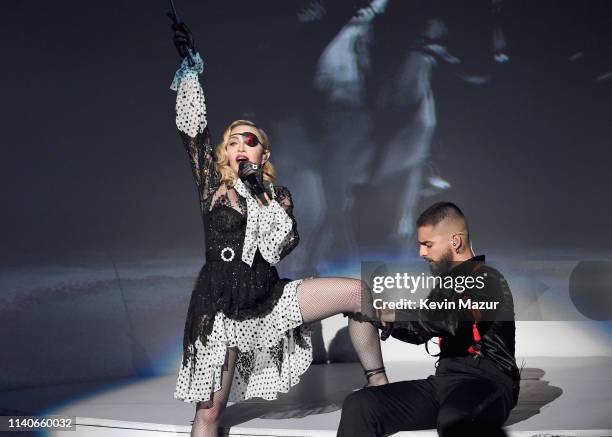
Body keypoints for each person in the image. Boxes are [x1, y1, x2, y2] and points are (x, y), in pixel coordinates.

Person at [168, 23, 388, 437]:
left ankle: (379, 384)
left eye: (247, 140)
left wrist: (260, 194)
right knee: (209, 415)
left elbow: (280, 245)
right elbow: (194, 133)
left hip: (269, 299)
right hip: (221, 313)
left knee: (358, 293)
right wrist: (190, 70)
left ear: (263, 153)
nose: (238, 147)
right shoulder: (212, 189)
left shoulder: (277, 196)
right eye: (231, 142)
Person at [337, 202, 520, 437]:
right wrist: (382, 321)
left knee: (454, 420)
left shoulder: (488, 278)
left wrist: (390, 313)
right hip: (444, 383)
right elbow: (422, 330)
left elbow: (449, 320)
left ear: (455, 241)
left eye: (427, 244)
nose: (421, 253)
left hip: (486, 383)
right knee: (360, 404)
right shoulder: (445, 286)